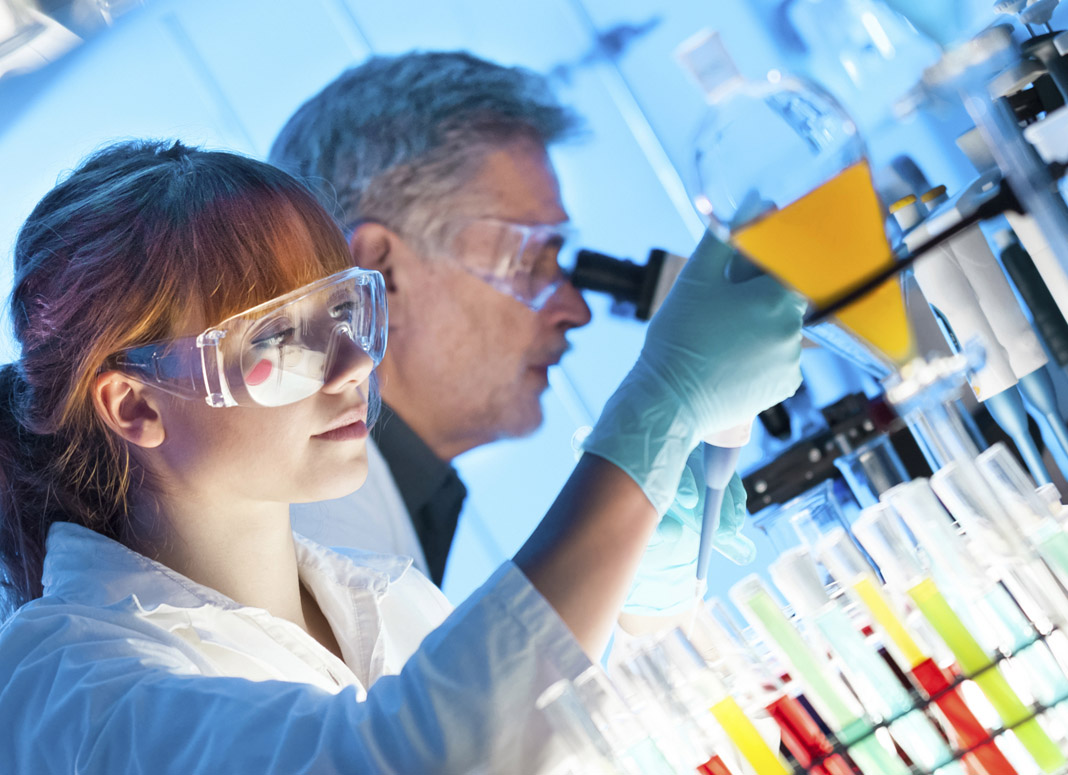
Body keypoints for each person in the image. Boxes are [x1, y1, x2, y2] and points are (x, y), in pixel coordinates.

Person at [0, 140, 803, 773]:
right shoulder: (63, 684)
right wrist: (654, 413)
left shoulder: (386, 603)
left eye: (345, 310)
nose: (353, 364)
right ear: (135, 403)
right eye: (277, 337)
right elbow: (412, 758)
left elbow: (552, 744)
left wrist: (643, 616)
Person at [270, 51, 754, 606]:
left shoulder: (394, 499)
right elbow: (444, 695)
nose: (576, 310)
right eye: (533, 260)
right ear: (381, 274)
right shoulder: (308, 524)